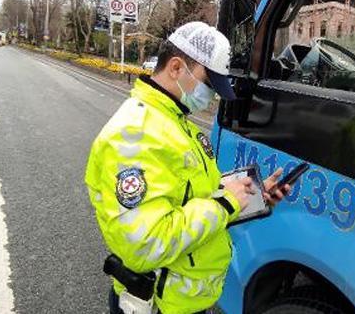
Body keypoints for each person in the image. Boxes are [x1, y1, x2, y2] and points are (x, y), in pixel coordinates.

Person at [85, 22, 290, 314]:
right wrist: (226, 202)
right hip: (158, 305)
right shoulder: (134, 136)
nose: (213, 96)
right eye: (209, 85)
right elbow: (145, 244)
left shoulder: (176, 123)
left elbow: (195, 201)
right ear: (177, 68)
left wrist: (252, 197)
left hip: (184, 301)